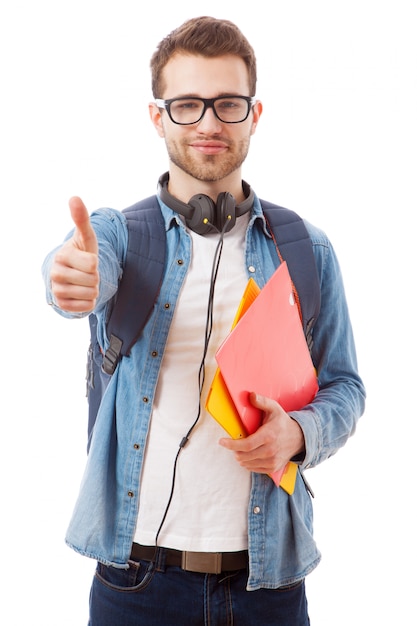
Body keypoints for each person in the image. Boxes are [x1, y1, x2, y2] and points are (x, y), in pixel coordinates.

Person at [42, 15, 365, 626]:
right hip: (134, 584)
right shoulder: (117, 235)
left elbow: (346, 387)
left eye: (228, 104)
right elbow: (81, 269)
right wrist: (70, 280)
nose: (210, 123)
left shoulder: (307, 251)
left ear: (255, 113)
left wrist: (296, 435)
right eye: (187, 104)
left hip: (268, 584)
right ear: (158, 116)